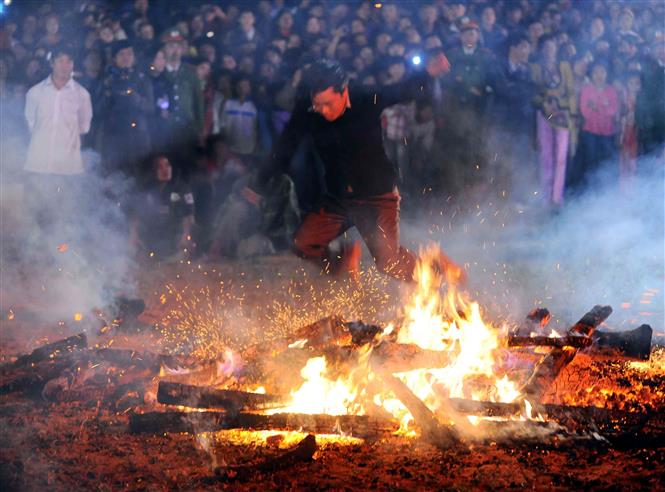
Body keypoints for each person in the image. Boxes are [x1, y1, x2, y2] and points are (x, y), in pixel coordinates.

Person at [271, 57, 465, 283]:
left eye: (327, 103)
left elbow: (401, 91)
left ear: (343, 91)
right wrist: (261, 181)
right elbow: (286, 144)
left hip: (377, 195)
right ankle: (343, 259)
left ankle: (437, 268)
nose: (322, 111)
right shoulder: (308, 110)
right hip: (339, 199)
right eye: (318, 104)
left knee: (389, 263)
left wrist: (427, 74)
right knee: (304, 244)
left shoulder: (366, 98)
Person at [23, 45, 92, 243]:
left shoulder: (81, 94)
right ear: (52, 63)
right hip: (38, 163)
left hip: (67, 167)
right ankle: (37, 256)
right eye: (61, 60)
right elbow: (30, 124)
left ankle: (62, 258)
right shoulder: (35, 93)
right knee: (38, 213)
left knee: (65, 214)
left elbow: (83, 127)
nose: (65, 65)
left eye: (69, 61)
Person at [99, 40, 154, 177]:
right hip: (114, 136)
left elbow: (151, 108)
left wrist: (136, 99)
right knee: (115, 176)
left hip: (139, 136)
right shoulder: (107, 80)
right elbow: (98, 110)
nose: (126, 58)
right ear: (114, 59)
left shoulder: (142, 79)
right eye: (122, 54)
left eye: (129, 54)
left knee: (140, 176)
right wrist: (109, 96)